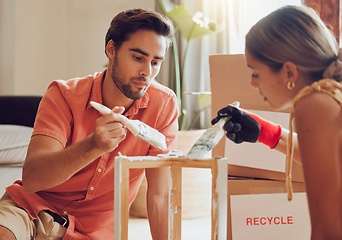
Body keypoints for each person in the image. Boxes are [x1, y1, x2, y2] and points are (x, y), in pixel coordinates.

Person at [0, 8, 178, 240]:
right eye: (137, 57)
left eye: (156, 62)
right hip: (30, 209)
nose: (147, 72)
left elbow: (160, 195)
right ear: (111, 49)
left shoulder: (163, 105)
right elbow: (33, 179)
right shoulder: (63, 95)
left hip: (93, 231)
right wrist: (93, 145)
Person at [212, 5, 342, 240]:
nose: (252, 83)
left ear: (289, 73)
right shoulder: (331, 95)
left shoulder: (314, 104)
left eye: (255, 72)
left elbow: (329, 228)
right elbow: (326, 157)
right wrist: (264, 131)